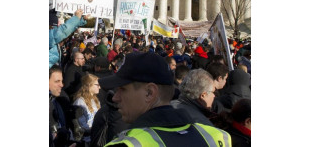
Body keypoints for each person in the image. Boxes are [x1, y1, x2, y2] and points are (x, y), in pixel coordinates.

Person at [98, 52, 231, 147]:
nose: (115, 97)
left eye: (122, 89)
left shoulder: (127, 144)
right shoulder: (218, 137)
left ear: (149, 93)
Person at [73, 74, 101, 146]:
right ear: (89, 85)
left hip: (96, 138)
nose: (100, 87)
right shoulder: (80, 102)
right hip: (86, 141)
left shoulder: (95, 100)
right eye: (97, 85)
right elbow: (81, 126)